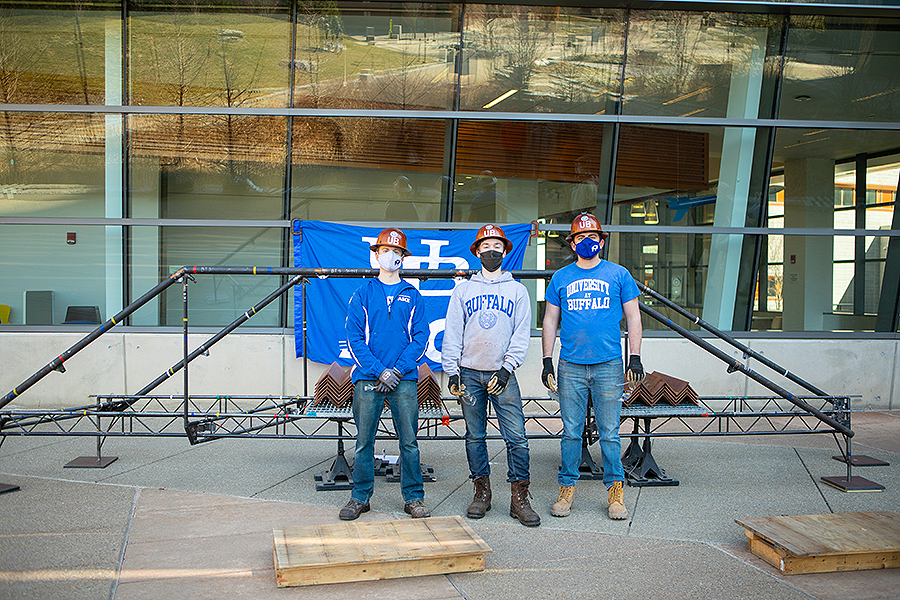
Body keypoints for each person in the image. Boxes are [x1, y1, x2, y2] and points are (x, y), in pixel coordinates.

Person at [541, 213, 645, 520]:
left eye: (593, 237)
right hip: (570, 365)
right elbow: (550, 320)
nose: (587, 242)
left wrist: (635, 356)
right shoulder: (561, 278)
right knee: (571, 433)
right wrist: (547, 360)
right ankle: (566, 489)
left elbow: (634, 317)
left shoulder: (619, 274)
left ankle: (615, 492)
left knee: (610, 433)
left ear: (601, 241)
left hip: (609, 365)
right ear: (572, 244)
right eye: (580, 237)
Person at [442, 224, 540, 527]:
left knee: (517, 436)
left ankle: (519, 498)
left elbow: (521, 334)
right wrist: (452, 371)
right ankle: (481, 492)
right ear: (477, 252)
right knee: (475, 436)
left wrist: (508, 368)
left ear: (505, 251)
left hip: (502, 373)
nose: (492, 251)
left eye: (497, 246)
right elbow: (453, 332)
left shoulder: (517, 291)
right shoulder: (463, 290)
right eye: (486, 246)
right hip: (470, 373)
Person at [340, 227, 430, 520]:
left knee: (409, 442)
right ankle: (360, 497)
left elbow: (421, 338)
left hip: (404, 379)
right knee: (364, 442)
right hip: (369, 378)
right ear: (376, 255)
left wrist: (398, 370)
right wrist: (380, 371)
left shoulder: (412, 295)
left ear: (403, 257)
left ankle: (414, 498)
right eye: (385, 251)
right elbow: (354, 339)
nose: (390, 256)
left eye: (396, 251)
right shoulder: (363, 294)